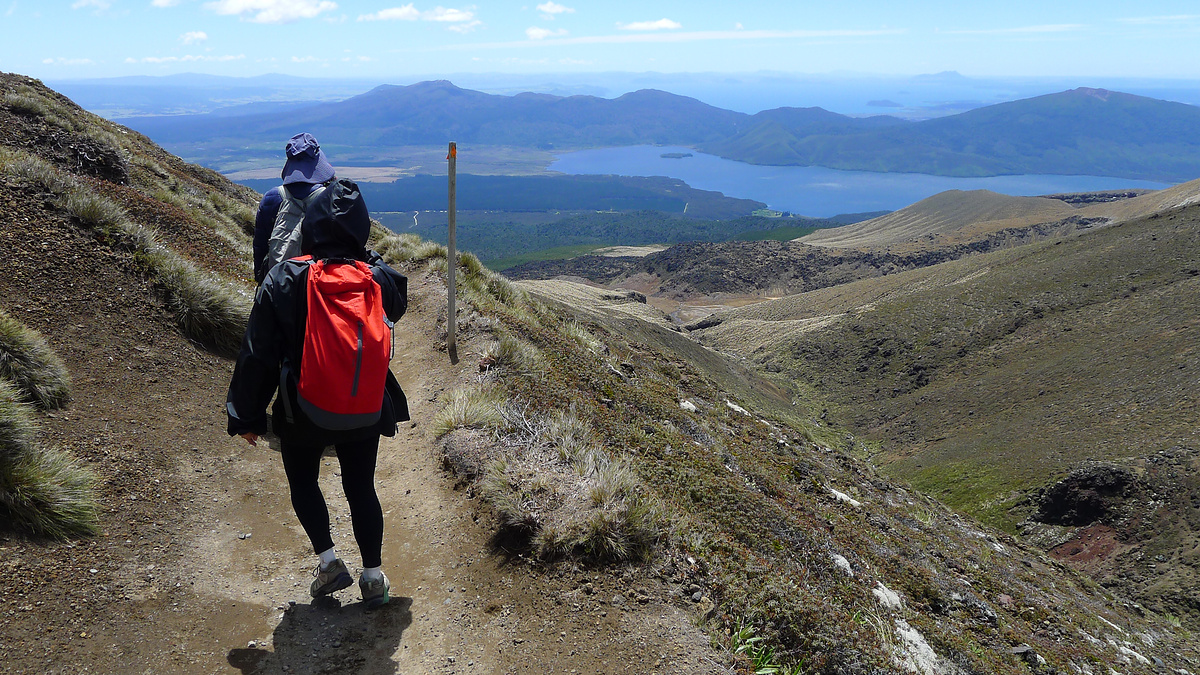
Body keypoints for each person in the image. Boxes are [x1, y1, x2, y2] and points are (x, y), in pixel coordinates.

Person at [226, 177, 409, 609]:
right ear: (362, 229)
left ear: (311, 225)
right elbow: (397, 298)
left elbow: (258, 355)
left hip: (302, 408)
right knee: (361, 486)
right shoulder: (378, 279)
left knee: (303, 480)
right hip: (365, 405)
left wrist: (247, 416)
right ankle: (373, 577)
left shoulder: (284, 280)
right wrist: (363, 253)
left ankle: (329, 563)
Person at [253, 132, 336, 284]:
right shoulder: (330, 198)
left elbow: (260, 247)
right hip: (319, 284)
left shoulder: (272, 198)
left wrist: (262, 282)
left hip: (279, 283)